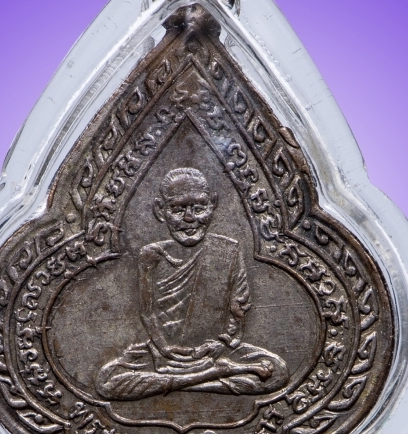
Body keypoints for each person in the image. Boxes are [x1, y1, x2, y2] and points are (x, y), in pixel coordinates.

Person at [95, 167, 288, 400]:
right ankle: (215, 375)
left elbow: (238, 310)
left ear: (213, 205)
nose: (189, 218)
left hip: (214, 352)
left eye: (198, 208)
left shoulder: (227, 249)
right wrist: (164, 348)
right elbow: (147, 311)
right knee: (106, 382)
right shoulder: (151, 255)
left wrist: (222, 344)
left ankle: (181, 382)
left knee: (277, 372)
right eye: (178, 209)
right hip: (163, 353)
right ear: (160, 210)